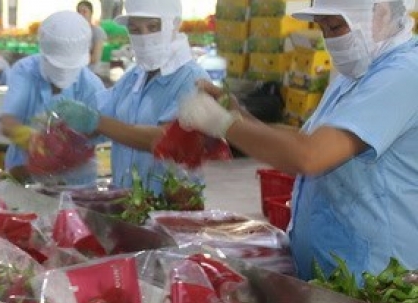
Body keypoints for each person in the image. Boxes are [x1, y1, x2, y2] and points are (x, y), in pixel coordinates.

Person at [177, 0, 418, 281]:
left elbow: (310, 156)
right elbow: (302, 144)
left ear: (383, 12)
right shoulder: (355, 74)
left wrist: (223, 124)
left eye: (337, 26)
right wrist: (238, 115)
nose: (331, 39)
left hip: (377, 277)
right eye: (323, 27)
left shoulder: (405, 74)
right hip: (334, 270)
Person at [50, 0, 207, 194]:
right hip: (127, 205)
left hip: (170, 208)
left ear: (174, 24)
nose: (144, 37)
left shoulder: (192, 80)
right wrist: (62, 128)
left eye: (153, 27)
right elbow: (100, 122)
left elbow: (167, 140)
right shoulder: (134, 76)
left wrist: (95, 121)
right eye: (135, 29)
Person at [0, 10, 105, 186]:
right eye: (57, 65)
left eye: (70, 67)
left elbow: (100, 136)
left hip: (75, 183)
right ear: (44, 54)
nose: (63, 72)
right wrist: (31, 139)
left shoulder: (92, 85)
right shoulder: (25, 72)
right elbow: (7, 121)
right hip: (24, 175)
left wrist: (68, 149)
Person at [77, 1, 108, 73]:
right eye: (79, 12)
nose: (81, 15)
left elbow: (95, 58)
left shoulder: (97, 31)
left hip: (91, 73)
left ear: (91, 13)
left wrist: (72, 59)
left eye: (84, 12)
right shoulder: (76, 32)